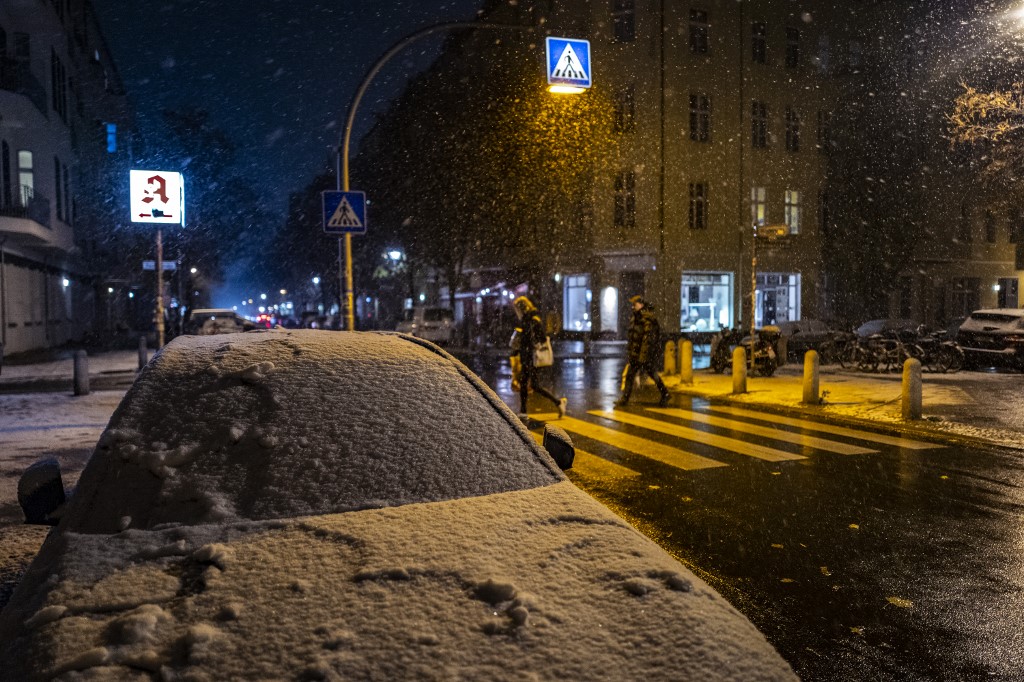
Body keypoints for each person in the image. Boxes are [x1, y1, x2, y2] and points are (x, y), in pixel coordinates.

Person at [511, 295, 567, 419]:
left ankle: (558, 402)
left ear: (523, 309)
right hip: (526, 356)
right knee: (524, 383)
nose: (517, 312)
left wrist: (528, 340)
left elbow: (541, 338)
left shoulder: (533, 320)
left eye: (517, 309)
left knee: (534, 385)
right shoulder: (526, 320)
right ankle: (523, 411)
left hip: (532, 358)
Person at [616, 295, 670, 408]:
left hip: (644, 354)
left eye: (634, 304)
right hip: (637, 353)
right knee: (632, 375)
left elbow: (647, 340)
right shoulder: (636, 317)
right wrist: (632, 352)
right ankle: (625, 398)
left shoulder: (647, 318)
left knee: (651, 374)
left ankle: (665, 393)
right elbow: (633, 337)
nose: (632, 307)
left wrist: (643, 356)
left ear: (641, 305)